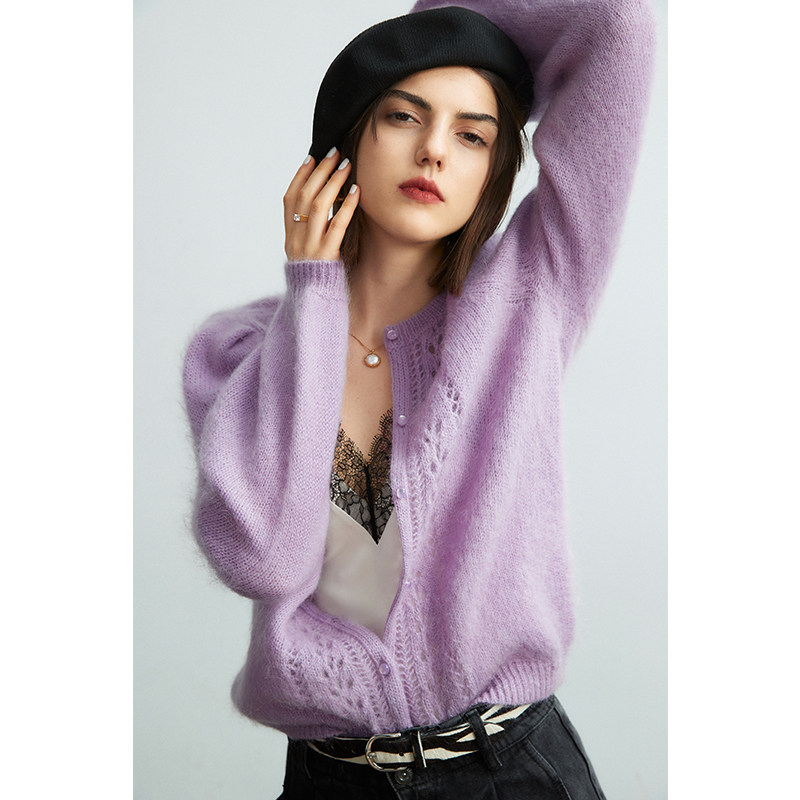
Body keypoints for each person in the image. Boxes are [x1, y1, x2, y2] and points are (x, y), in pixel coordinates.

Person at [183, 0, 656, 796]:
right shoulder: (233, 357)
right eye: (404, 116)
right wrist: (314, 294)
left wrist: (444, 20)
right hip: (333, 782)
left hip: (512, 774)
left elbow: (617, 25)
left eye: (472, 135)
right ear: (344, 145)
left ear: (492, 172)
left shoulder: (530, 294)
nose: (434, 149)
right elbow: (265, 558)